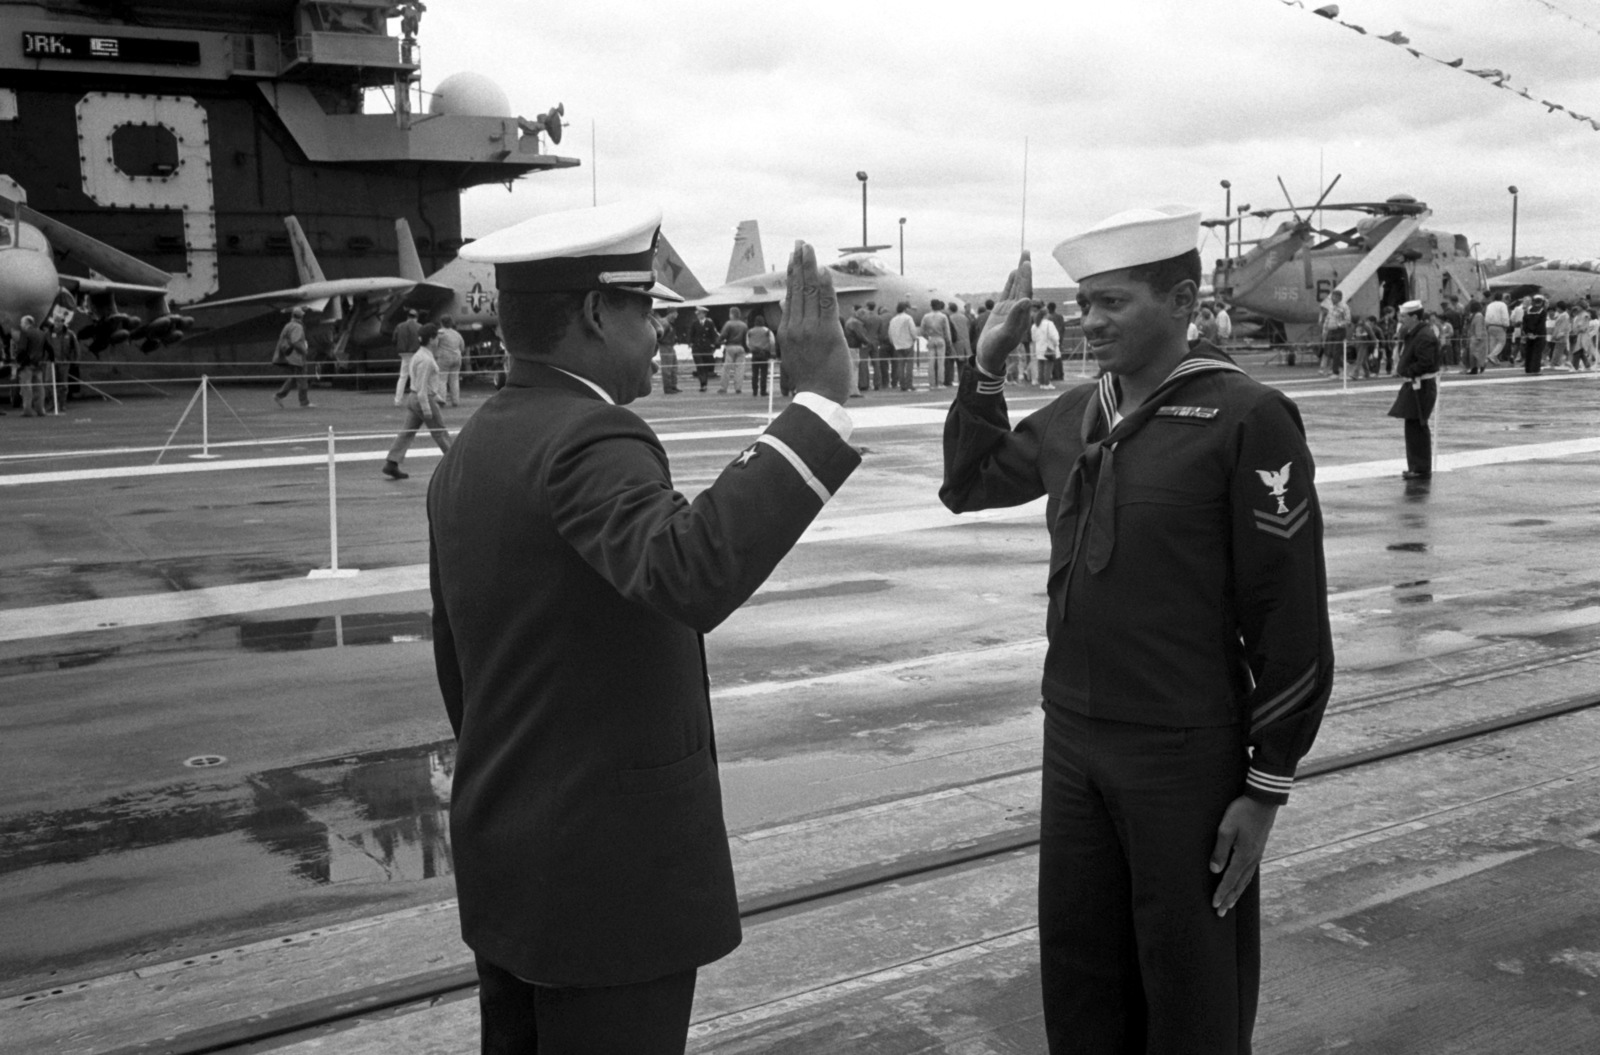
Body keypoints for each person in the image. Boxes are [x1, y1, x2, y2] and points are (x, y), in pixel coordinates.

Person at [427, 202, 859, 1054]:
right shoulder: (591, 434)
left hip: (511, 862)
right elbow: (689, 569)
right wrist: (815, 406)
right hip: (606, 885)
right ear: (595, 313)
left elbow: (459, 671)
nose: (658, 334)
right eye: (646, 311)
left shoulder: (473, 448)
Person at [941, 205, 1332, 1055]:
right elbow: (970, 482)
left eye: (1112, 302)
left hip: (1182, 751)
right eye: (1084, 303)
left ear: (1183, 298)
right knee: (1082, 982)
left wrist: (1266, 786)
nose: (1088, 322)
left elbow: (1291, 618)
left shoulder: (1245, 418)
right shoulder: (1080, 413)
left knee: (1191, 993)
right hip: (1074, 742)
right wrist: (984, 366)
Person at [382, 321, 450, 478]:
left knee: (407, 432)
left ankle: (392, 462)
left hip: (414, 397)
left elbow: (417, 382)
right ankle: (455, 461)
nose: (438, 340)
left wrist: (436, 396)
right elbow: (422, 387)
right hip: (422, 398)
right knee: (440, 432)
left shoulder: (417, 355)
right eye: (436, 337)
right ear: (432, 339)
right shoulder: (426, 360)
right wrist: (427, 407)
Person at [1388, 300, 1440, 480]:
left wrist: (1409, 372)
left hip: (1421, 386)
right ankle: (1416, 466)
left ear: (1415, 317)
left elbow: (1425, 362)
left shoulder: (1424, 335)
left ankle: (1420, 468)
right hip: (1415, 384)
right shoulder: (1416, 333)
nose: (1401, 319)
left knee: (1417, 425)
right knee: (1412, 425)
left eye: (1404, 316)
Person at [272, 307, 315, 408]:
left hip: (290, 356)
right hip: (297, 357)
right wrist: (304, 350)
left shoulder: (289, 325)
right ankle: (304, 402)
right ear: (301, 316)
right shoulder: (297, 327)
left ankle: (279, 395)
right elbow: (295, 341)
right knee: (302, 378)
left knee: (295, 377)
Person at [13, 315, 48, 417]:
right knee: (39, 388)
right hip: (39, 364)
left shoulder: (25, 334)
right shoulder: (42, 333)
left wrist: (18, 361)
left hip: (26, 365)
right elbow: (47, 348)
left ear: (26, 323)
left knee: (26, 388)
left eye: (22, 323)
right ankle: (40, 410)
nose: (20, 325)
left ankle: (27, 411)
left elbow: (22, 349)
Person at [920, 299, 951, 392]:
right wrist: (948, 341)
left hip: (931, 338)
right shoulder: (943, 316)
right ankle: (940, 383)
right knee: (940, 362)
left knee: (931, 363)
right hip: (940, 339)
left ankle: (932, 383)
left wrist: (927, 337)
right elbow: (947, 331)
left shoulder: (926, 316)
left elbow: (922, 331)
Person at [435, 314, 466, 406]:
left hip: (444, 358)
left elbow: (434, 344)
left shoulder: (440, 333)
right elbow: (462, 347)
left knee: (442, 379)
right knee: (455, 380)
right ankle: (455, 401)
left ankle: (442, 400)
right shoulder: (457, 334)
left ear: (441, 323)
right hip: (457, 358)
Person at [1318, 289, 1351, 375]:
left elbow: (1347, 320)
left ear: (1339, 298)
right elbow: (1328, 319)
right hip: (1330, 331)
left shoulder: (1344, 307)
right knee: (1329, 351)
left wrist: (1338, 325)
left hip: (1339, 331)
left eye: (1334, 297)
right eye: (1332, 297)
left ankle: (1335, 372)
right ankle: (1342, 366)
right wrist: (1324, 330)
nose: (1332, 299)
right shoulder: (1331, 307)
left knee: (1336, 352)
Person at [716, 306, 749, 394]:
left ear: (732, 314)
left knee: (726, 368)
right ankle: (738, 388)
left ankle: (724, 387)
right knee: (739, 369)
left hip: (730, 347)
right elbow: (746, 339)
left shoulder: (728, 324)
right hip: (740, 348)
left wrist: (718, 342)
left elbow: (723, 335)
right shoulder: (744, 325)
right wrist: (746, 349)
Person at [393, 308, 422, 405]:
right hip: (415, 352)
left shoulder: (399, 326)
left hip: (403, 353)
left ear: (407, 317)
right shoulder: (419, 326)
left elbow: (394, 339)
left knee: (402, 377)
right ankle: (415, 399)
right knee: (415, 376)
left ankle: (398, 400)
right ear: (416, 317)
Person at [888, 301, 918, 391]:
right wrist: (914, 338)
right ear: (905, 308)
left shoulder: (893, 319)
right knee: (909, 366)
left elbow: (890, 332)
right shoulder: (908, 318)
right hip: (908, 343)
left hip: (898, 345)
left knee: (900, 366)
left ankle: (902, 384)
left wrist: (893, 342)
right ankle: (909, 384)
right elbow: (912, 330)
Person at [1030, 304, 1059, 389]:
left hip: (1038, 347)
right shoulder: (1049, 324)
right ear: (1046, 315)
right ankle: (1047, 383)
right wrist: (1056, 343)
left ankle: (1042, 383)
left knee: (1041, 366)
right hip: (1048, 347)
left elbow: (1033, 338)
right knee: (1048, 366)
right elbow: (1054, 336)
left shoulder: (1035, 325)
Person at [689, 307, 719, 391]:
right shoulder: (694, 324)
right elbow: (691, 335)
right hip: (697, 348)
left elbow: (713, 335)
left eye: (700, 313)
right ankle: (702, 383)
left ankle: (705, 383)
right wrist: (691, 343)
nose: (698, 315)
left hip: (706, 349)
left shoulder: (709, 323)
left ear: (704, 314)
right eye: (697, 314)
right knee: (700, 367)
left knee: (705, 367)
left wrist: (713, 345)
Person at [845, 304, 871, 394]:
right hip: (854, 348)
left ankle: (852, 390)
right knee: (854, 370)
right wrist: (867, 342)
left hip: (849, 347)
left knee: (852, 369)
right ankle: (854, 391)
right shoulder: (856, 323)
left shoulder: (850, 321)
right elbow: (861, 336)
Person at [747, 311, 774, 397]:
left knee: (754, 373)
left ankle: (754, 391)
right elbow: (772, 341)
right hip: (764, 354)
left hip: (754, 354)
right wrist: (772, 352)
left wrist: (752, 348)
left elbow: (747, 343)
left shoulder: (750, 331)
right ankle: (763, 391)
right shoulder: (767, 331)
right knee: (764, 373)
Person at [656, 309, 682, 393]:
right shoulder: (664, 323)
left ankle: (673, 385)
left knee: (674, 367)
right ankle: (667, 387)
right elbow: (658, 335)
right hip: (665, 346)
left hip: (670, 346)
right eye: (675, 314)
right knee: (667, 368)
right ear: (671, 313)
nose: (676, 316)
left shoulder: (670, 323)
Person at [946, 301, 972, 386]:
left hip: (955, 342)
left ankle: (949, 380)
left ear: (950, 309)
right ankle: (962, 380)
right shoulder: (964, 317)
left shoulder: (949, 318)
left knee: (950, 363)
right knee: (962, 364)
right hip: (965, 343)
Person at [1523, 294, 1548, 374]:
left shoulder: (1528, 311)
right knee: (1537, 352)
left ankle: (1528, 368)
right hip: (1539, 335)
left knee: (1529, 352)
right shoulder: (1542, 311)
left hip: (1529, 335)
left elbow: (1524, 323)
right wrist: (1536, 333)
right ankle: (1535, 369)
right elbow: (1541, 324)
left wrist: (1528, 332)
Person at [1484, 292, 1510, 364]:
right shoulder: (1503, 305)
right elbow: (1505, 315)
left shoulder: (1489, 305)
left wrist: (1486, 325)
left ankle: (1495, 360)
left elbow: (1487, 316)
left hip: (1490, 326)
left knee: (1493, 343)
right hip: (1499, 326)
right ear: (1501, 298)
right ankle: (1492, 356)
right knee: (1501, 342)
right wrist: (1506, 324)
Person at [1463, 300, 1488, 374]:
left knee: (1475, 354)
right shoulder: (1475, 315)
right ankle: (1476, 367)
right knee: (1474, 354)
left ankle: (1479, 366)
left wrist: (1478, 337)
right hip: (1474, 336)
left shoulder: (1478, 315)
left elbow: (1478, 326)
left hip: (1477, 337)